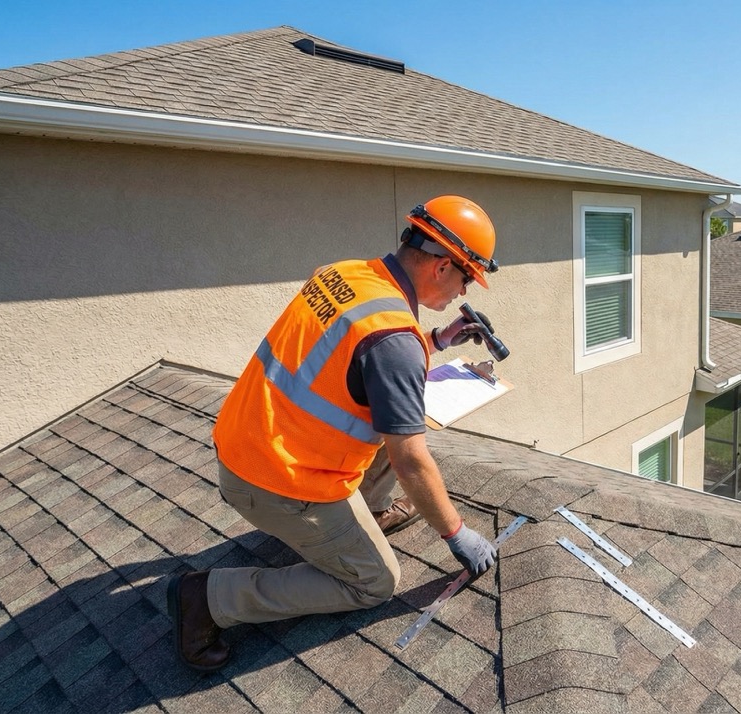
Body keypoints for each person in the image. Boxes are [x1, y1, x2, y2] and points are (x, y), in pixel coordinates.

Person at [168, 195, 502, 671]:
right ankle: (209, 597)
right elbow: (409, 459)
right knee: (374, 582)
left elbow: (356, 363)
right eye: (467, 277)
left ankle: (366, 516)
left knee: (402, 419)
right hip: (274, 480)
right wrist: (456, 533)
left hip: (252, 442)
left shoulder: (344, 274)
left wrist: (439, 340)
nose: (463, 291)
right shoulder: (393, 341)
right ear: (443, 266)